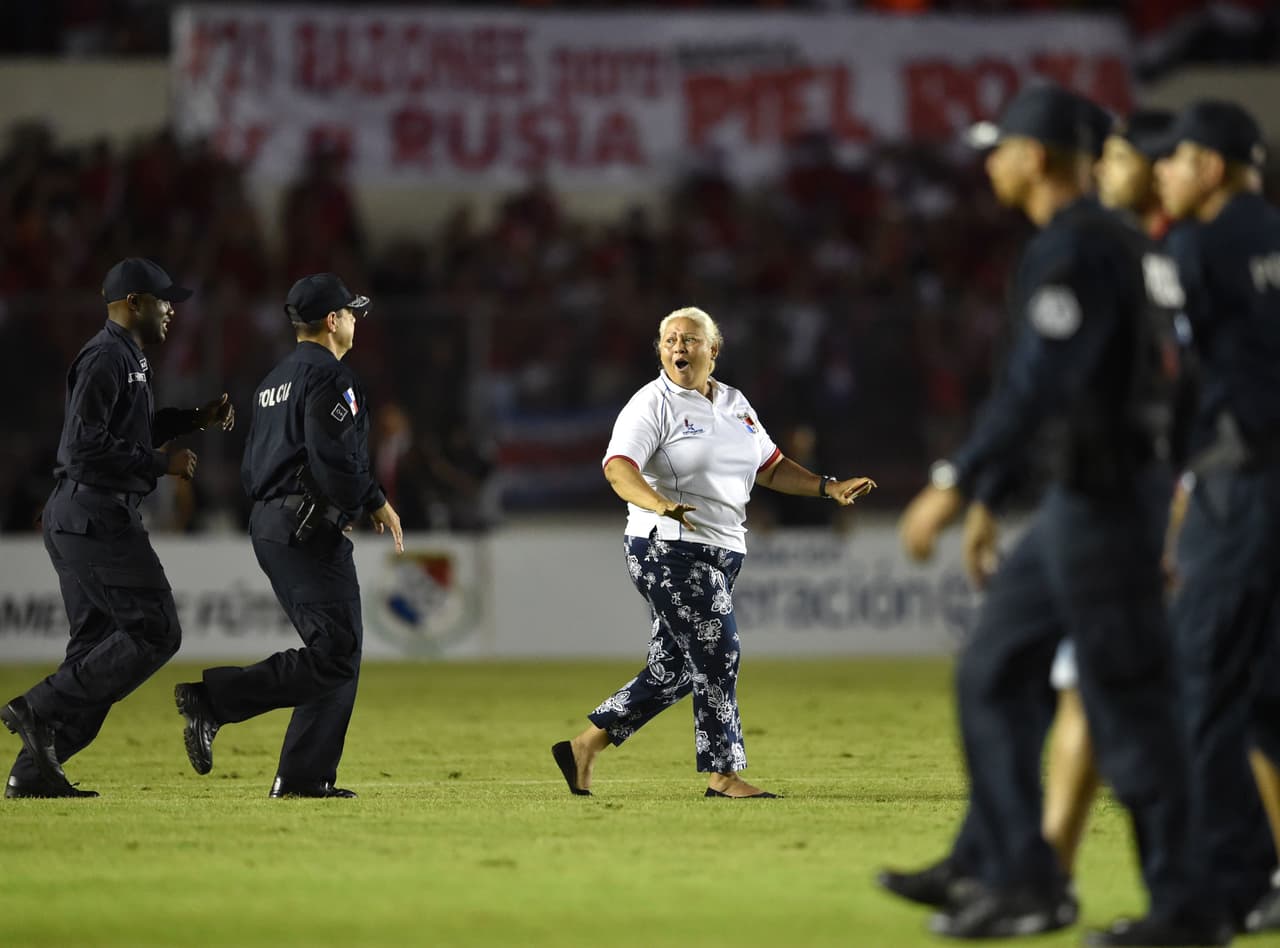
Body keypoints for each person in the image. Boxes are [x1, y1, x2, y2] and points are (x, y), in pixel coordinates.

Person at [881, 85, 1230, 945]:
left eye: (1000, 148)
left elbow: (1040, 380)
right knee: (995, 672)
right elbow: (1182, 384)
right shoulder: (1129, 245)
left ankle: (1186, 906)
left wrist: (959, 482)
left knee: (1127, 705)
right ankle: (1019, 877)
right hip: (1098, 499)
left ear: (1034, 157)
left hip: (1103, 504)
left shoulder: (1075, 247)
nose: (991, 161)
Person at [551, 306, 875, 799]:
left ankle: (584, 745)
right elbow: (618, 469)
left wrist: (828, 488)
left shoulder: (736, 405)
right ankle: (723, 773)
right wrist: (660, 505)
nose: (678, 347)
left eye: (689, 339)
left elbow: (771, 466)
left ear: (713, 351)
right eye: (669, 340)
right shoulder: (651, 404)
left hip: (721, 552)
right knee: (719, 649)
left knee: (676, 668)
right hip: (666, 547)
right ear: (661, 351)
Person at [1, 257, 235, 799]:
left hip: (85, 513)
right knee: (157, 631)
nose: (171, 308)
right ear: (133, 303)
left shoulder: (125, 356)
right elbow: (81, 446)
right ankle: (36, 707)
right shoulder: (107, 356)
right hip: (96, 515)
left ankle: (32, 775)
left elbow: (127, 428)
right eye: (162, 300)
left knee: (96, 652)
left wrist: (192, 419)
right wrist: (161, 464)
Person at [173, 273, 403, 799]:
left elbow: (252, 468)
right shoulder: (330, 378)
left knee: (337, 650)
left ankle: (303, 776)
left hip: (273, 523)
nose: (354, 320)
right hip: (306, 528)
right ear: (331, 321)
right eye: (350, 312)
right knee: (338, 652)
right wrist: (374, 501)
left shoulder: (272, 381)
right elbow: (336, 458)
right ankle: (214, 701)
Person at [1154, 100, 1280, 933]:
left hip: (1242, 483)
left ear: (1208, 166)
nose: (1163, 171)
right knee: (1269, 692)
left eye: (1173, 158)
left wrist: (1174, 471)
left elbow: (1183, 373)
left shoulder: (1197, 243)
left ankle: (1223, 885)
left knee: (1198, 681)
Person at [1041, 106, 1176, 876]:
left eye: (1120, 156)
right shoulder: (1135, 255)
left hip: (1166, 508)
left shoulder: (1182, 259)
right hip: (1133, 501)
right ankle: (1048, 867)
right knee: (1082, 685)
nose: (1104, 169)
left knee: (1186, 703)